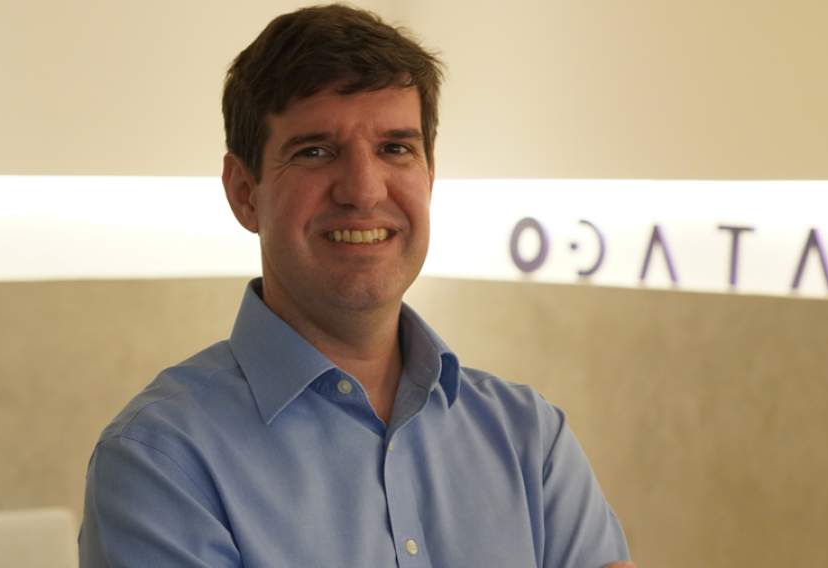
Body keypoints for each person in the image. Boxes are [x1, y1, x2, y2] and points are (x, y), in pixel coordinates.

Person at [79, 5, 633, 567]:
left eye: (395, 148)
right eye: (315, 152)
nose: (364, 191)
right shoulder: (160, 461)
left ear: (429, 175)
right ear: (245, 193)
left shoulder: (530, 440)